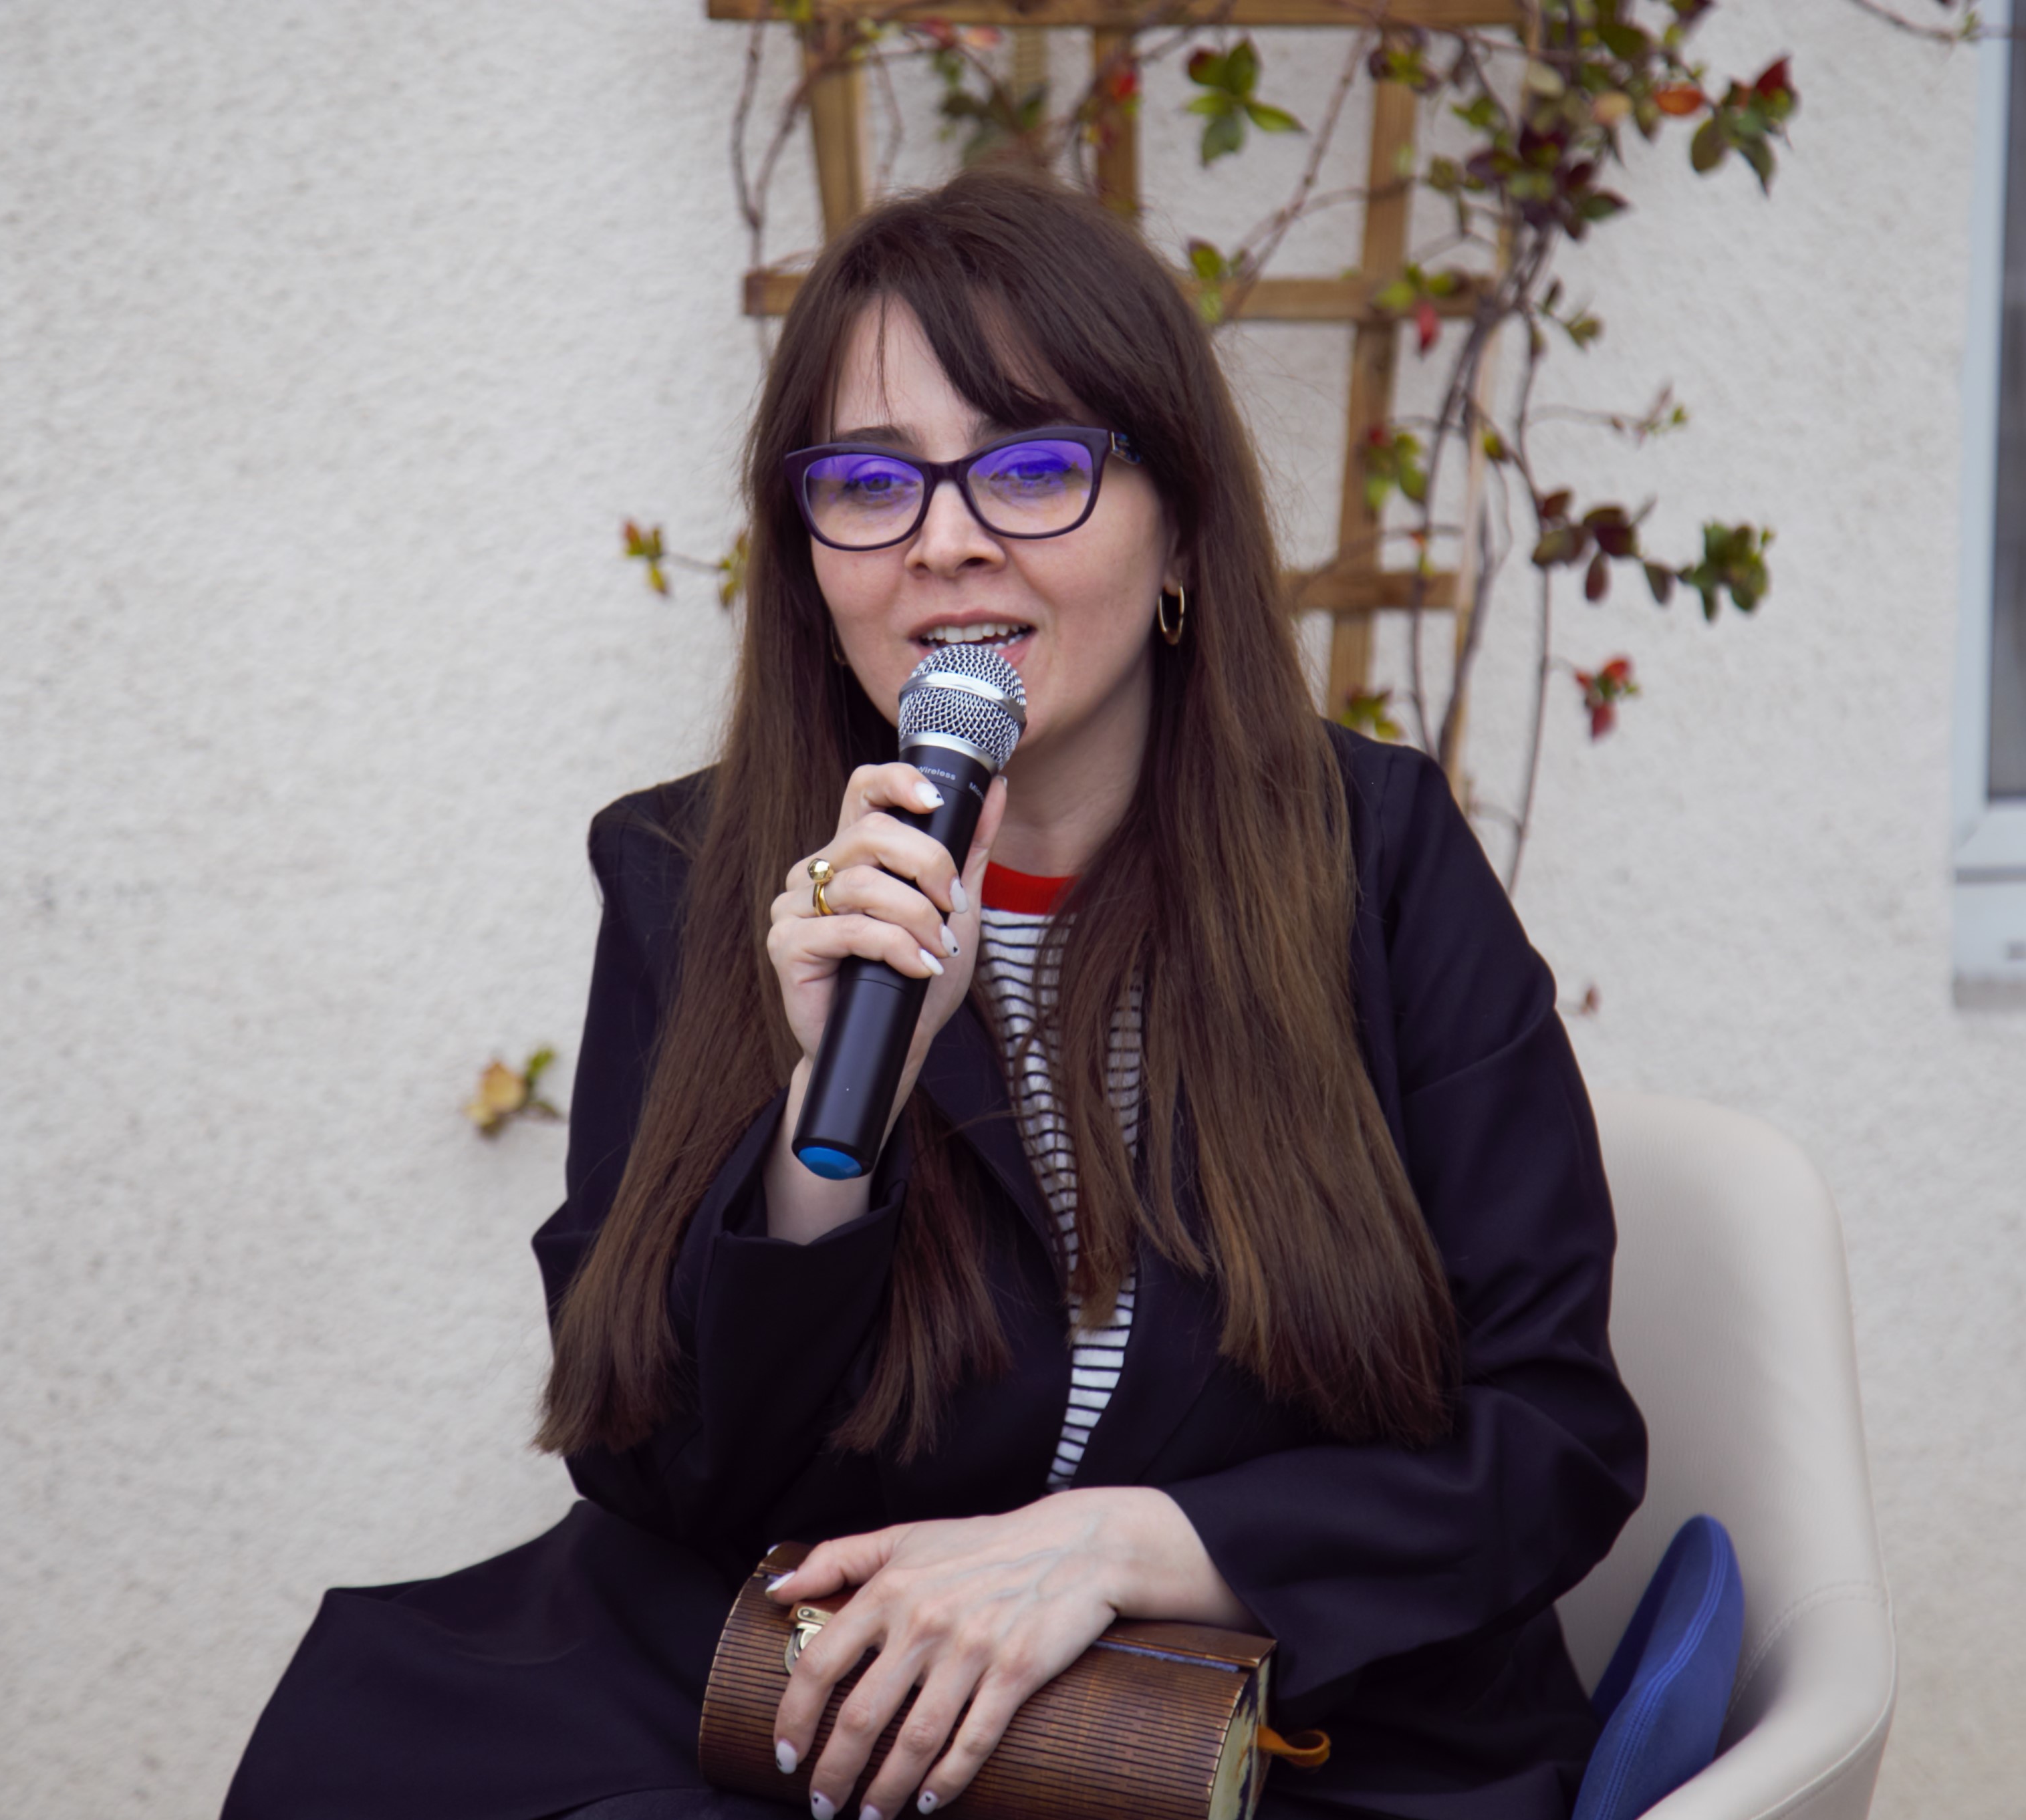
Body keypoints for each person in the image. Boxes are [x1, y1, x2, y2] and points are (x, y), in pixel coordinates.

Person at [223, 163, 1645, 1820]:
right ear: (808, 556)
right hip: (821, 1698)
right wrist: (828, 1131)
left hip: (1257, 1729)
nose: (945, 540)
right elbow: (657, 1462)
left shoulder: (1374, 859)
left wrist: (1112, 1550)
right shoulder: (688, 876)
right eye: (867, 482)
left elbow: (1547, 1438)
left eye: (1032, 468)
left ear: (1179, 525)